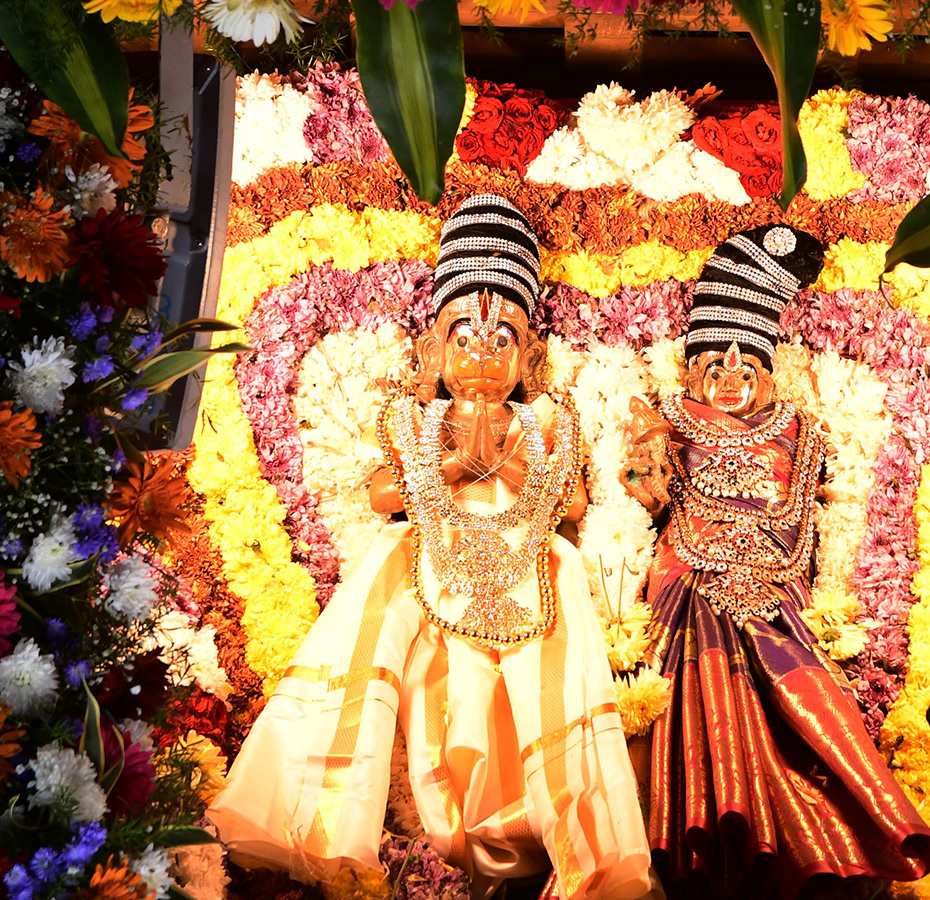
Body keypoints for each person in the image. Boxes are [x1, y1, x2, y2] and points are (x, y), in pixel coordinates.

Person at [209, 195, 654, 900]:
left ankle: (537, 824)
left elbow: (568, 506)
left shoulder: (541, 419)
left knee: (537, 687)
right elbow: (385, 493)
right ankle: (398, 822)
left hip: (530, 563)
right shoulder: (420, 415)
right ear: (432, 351)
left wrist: (510, 465)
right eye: (465, 338)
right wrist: (451, 466)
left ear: (530, 354)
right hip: (429, 554)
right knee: (417, 681)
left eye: (503, 338)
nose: (483, 354)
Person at [622, 224, 930, 898]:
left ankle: (826, 844)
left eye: (747, 363)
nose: (732, 375)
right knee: (698, 715)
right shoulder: (666, 417)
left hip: (777, 599)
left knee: (802, 711)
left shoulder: (799, 429)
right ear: (691, 372)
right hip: (689, 594)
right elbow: (644, 498)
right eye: (715, 363)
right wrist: (647, 465)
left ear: (768, 371)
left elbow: (816, 512)